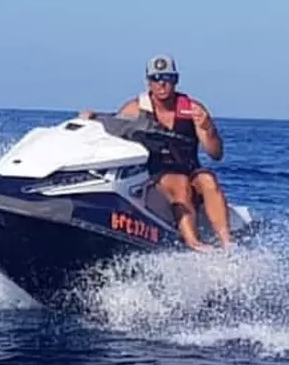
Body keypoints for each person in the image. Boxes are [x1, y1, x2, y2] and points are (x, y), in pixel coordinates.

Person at [80, 54, 232, 251]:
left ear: (175, 81)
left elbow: (215, 154)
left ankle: (227, 243)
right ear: (148, 82)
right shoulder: (135, 109)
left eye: (167, 79)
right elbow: (113, 129)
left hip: (190, 167)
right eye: (156, 79)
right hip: (156, 172)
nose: (162, 85)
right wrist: (92, 118)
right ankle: (193, 242)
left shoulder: (193, 110)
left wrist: (208, 127)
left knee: (208, 180)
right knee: (180, 184)